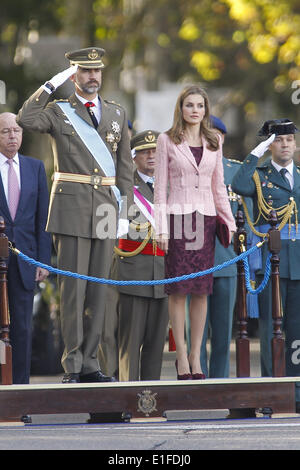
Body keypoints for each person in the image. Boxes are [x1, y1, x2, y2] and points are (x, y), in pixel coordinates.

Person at [17, 47, 134, 384]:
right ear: (74, 75)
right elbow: (26, 119)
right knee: (73, 290)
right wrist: (52, 85)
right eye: (84, 72)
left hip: (105, 208)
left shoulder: (115, 113)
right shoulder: (58, 111)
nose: (92, 77)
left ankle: (91, 363)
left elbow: (124, 168)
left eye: (96, 72)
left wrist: (123, 212)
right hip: (70, 208)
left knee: (100, 290)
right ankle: (72, 364)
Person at [154, 85, 236, 380]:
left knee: (201, 290)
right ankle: (181, 357)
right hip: (177, 220)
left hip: (205, 220)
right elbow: (160, 189)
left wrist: (229, 222)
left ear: (206, 110)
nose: (195, 110)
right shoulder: (166, 140)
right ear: (181, 108)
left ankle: (195, 356)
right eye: (189, 105)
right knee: (178, 291)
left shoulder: (214, 140)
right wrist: (159, 228)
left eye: (200, 106)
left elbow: (219, 187)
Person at [231, 118, 300, 410]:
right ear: (270, 145)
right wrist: (254, 153)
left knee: (296, 331)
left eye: (289, 140)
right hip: (273, 263)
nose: (284, 145)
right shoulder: (259, 175)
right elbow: (237, 183)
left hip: (298, 262)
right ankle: (272, 391)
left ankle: (295, 391)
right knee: (275, 328)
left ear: (295, 144)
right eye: (278, 140)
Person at [185, 115, 253, 378]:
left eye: (216, 135)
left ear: (223, 138)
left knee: (224, 329)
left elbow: (249, 216)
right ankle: (194, 380)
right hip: (193, 259)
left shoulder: (237, 172)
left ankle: (220, 381)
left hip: (226, 258)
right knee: (196, 331)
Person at [0, 112, 51, 384]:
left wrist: (43, 261)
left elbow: (43, 219)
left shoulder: (35, 168)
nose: (11, 136)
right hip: (0, 261)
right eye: (5, 131)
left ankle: (19, 392)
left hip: (25, 263)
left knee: (22, 329)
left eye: (16, 131)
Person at [116, 130, 169, 381]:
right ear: (133, 157)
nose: (151, 156)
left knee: (156, 344)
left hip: (164, 274)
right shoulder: (124, 186)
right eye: (145, 151)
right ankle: (128, 397)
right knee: (130, 343)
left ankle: (151, 400)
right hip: (133, 272)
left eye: (155, 151)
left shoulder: (171, 186)